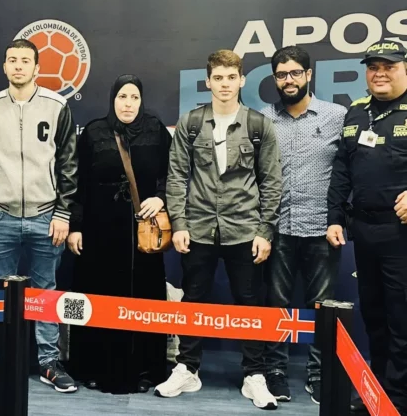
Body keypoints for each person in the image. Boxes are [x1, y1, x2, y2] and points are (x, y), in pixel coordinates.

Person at [158, 49, 282, 410]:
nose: (225, 84)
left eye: (231, 77)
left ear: (242, 80)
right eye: (218, 78)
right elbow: (177, 177)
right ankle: (187, 368)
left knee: (249, 304)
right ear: (208, 81)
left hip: (245, 229)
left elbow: (272, 182)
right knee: (193, 300)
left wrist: (265, 230)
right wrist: (179, 223)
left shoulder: (259, 125)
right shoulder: (192, 123)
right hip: (197, 229)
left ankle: (254, 375)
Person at [0, 38, 78, 393]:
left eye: (25, 60)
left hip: (47, 215)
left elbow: (68, 166)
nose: (18, 66)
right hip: (0, 214)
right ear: (4, 66)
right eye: (12, 60)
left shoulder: (57, 105)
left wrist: (63, 212)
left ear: (37, 68)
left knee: (45, 290)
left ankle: (49, 362)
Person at [66, 74, 171, 394]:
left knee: (144, 296)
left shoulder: (155, 130)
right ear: (113, 99)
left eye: (134, 98)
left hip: (141, 229)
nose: (128, 104)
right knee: (99, 293)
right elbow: (77, 182)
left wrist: (160, 197)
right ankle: (93, 367)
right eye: (122, 97)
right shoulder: (95, 131)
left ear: (142, 101)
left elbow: (174, 173)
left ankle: (145, 369)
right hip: (100, 230)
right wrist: (76, 227)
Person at [260, 46, 346, 405]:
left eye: (295, 73)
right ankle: (276, 371)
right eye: (282, 74)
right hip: (277, 228)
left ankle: (317, 374)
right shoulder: (264, 118)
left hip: (322, 229)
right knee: (277, 304)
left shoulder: (337, 115)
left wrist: (339, 218)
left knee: (321, 307)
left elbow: (349, 172)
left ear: (309, 75)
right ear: (275, 79)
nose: (289, 80)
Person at [327, 39, 407, 415]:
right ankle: (379, 393)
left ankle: (400, 399)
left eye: (388, 66)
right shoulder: (356, 113)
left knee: (402, 318)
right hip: (365, 230)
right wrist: (334, 218)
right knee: (374, 315)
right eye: (373, 67)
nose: (380, 73)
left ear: (404, 69)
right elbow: (341, 171)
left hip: (402, 234)